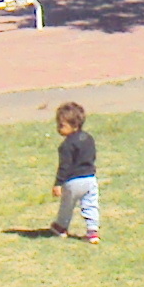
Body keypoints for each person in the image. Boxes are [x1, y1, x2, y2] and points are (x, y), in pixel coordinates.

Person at [51, 100, 99, 243]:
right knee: (90, 204)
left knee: (67, 205)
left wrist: (58, 183)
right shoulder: (89, 138)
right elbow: (92, 156)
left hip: (73, 181)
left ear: (75, 125)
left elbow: (64, 166)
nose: (58, 128)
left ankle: (61, 226)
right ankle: (93, 231)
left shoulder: (66, 145)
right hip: (90, 179)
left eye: (62, 125)